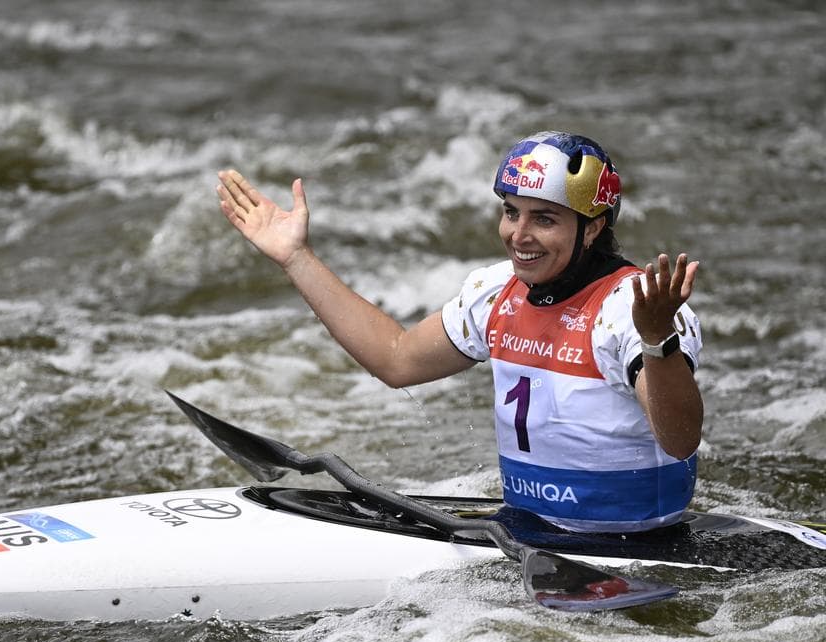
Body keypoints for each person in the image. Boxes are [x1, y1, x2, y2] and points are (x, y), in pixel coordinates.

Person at [216, 130, 702, 533]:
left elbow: (680, 439)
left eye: (545, 219)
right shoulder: (496, 293)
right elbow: (396, 359)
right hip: (526, 528)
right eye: (511, 212)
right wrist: (296, 258)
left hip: (635, 544)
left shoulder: (634, 307)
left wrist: (658, 341)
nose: (519, 234)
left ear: (593, 229)